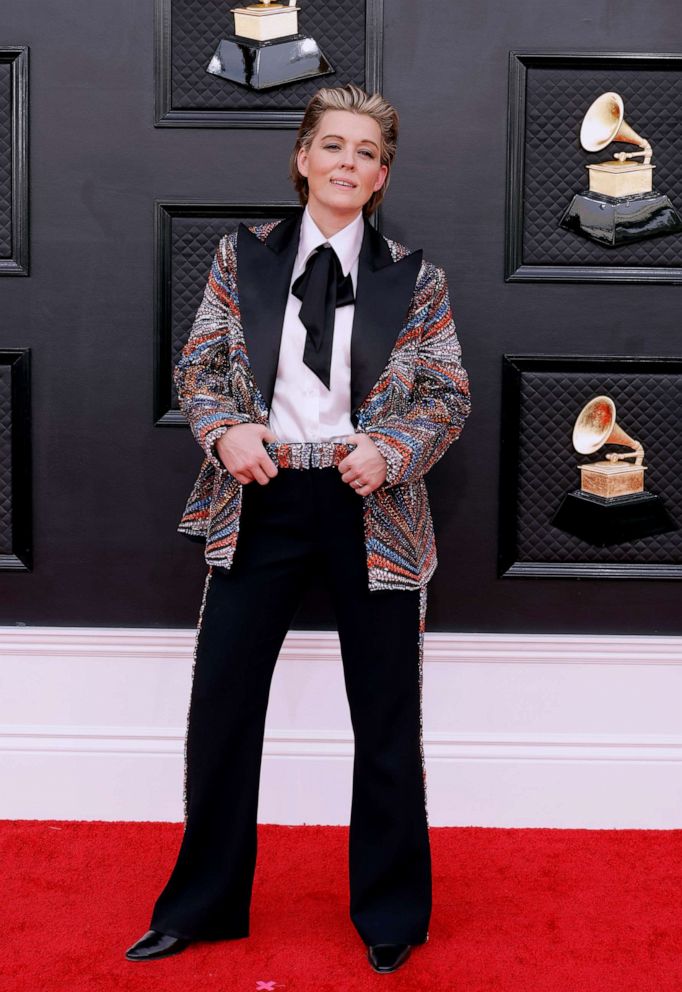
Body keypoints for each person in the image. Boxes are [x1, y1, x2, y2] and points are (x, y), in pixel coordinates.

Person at [125, 83, 470, 974]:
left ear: (381, 174)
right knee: (223, 711)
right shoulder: (240, 262)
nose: (347, 162)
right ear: (302, 159)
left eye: (365, 152)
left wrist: (390, 451)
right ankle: (201, 906)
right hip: (262, 497)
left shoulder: (416, 279)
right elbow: (199, 367)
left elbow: (446, 393)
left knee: (388, 720)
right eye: (333, 146)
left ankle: (390, 912)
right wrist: (224, 430)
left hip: (371, 506)